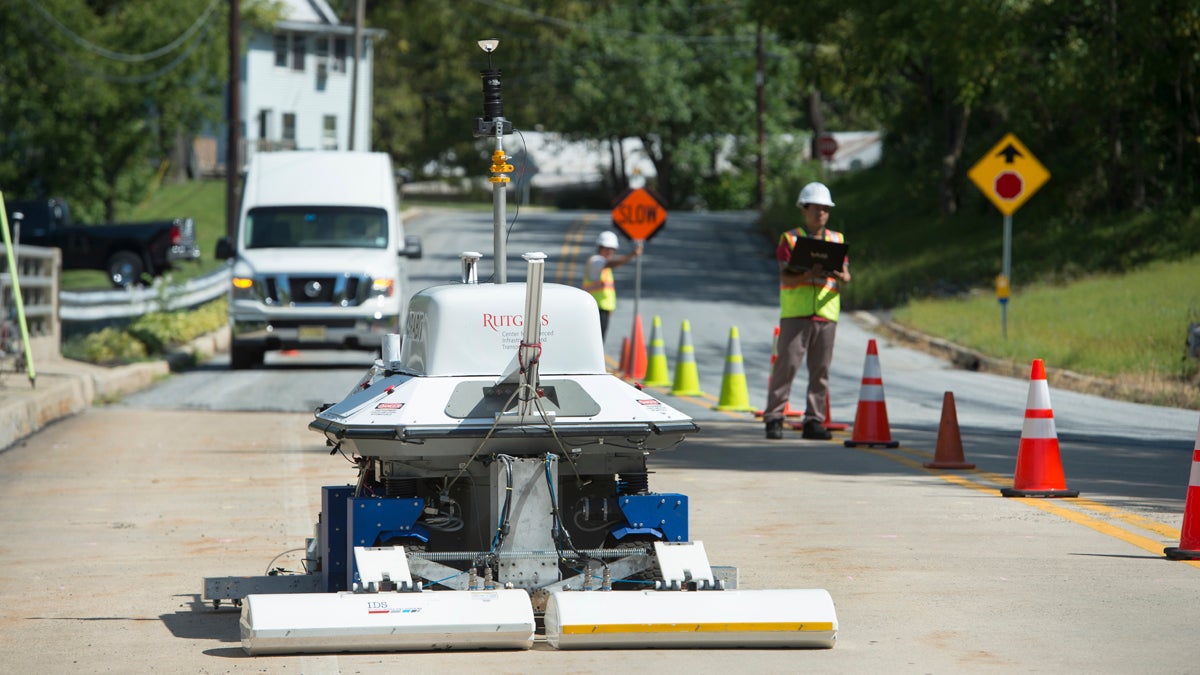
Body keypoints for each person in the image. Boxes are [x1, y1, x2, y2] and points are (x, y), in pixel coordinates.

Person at [764, 182, 851, 440]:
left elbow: (846, 275)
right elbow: (785, 276)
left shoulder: (837, 240)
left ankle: (814, 420)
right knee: (786, 367)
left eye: (825, 209)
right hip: (796, 313)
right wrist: (806, 273)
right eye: (816, 208)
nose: (821, 213)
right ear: (804, 209)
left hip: (826, 313)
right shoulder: (790, 239)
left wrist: (836, 272)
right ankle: (774, 418)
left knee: (820, 370)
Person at [582, 230, 642, 341]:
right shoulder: (596, 261)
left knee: (599, 342)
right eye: (607, 248)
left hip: (603, 311)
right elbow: (612, 264)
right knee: (596, 343)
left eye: (612, 249)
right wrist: (632, 255)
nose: (610, 252)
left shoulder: (604, 267)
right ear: (600, 247)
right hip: (595, 310)